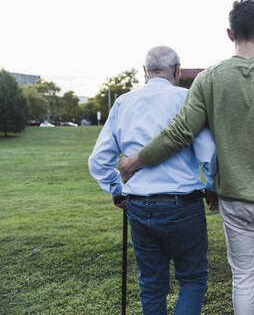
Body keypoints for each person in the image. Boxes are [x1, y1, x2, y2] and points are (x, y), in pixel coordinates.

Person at [118, 0, 254, 315]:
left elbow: (180, 133)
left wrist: (135, 161)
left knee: (244, 277)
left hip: (235, 199)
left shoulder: (209, 79)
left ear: (230, 33)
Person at [88, 46, 217, 315]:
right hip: (183, 205)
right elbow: (210, 154)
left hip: (139, 204)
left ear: (144, 71)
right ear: (178, 70)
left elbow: (99, 161)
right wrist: (212, 185)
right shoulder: (188, 99)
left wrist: (116, 189)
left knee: (151, 283)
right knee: (192, 279)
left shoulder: (124, 102)